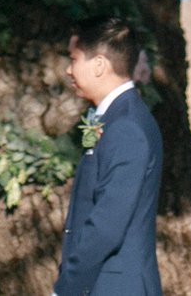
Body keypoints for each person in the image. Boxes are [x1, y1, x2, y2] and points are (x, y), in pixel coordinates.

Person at [51, 16, 161, 296]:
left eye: (73, 59)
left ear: (99, 64)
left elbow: (106, 226)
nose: (67, 70)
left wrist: (65, 289)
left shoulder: (126, 127)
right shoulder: (116, 118)